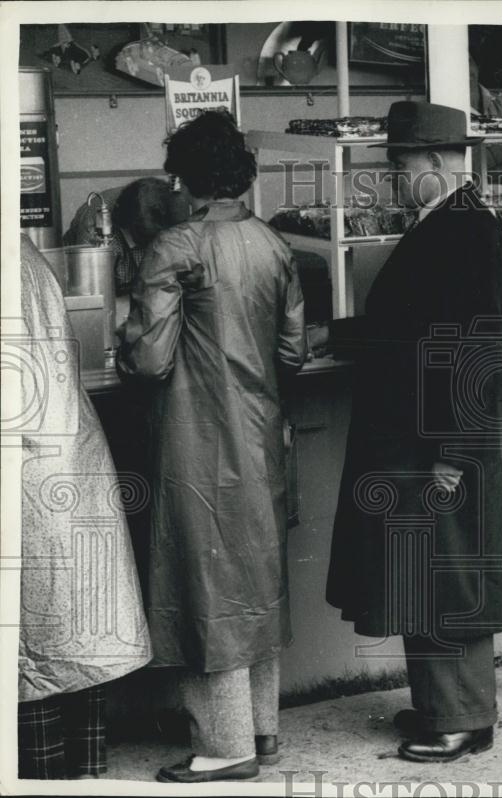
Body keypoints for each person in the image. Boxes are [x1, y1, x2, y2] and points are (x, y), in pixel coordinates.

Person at [324, 101, 502, 763]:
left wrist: (453, 452)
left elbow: (482, 347)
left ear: (434, 162)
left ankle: (461, 717)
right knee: (429, 573)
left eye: (401, 164)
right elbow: (416, 325)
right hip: (424, 438)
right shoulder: (454, 225)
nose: (395, 177)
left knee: (445, 575)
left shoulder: (465, 230)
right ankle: (446, 706)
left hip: (437, 442)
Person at [116, 111, 307, 783]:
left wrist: (125, 333)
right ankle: (263, 730)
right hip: (260, 435)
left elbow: (148, 359)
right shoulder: (273, 243)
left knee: (207, 583)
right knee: (253, 577)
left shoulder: (176, 247)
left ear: (185, 178)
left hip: (197, 436)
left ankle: (226, 749)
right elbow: (293, 351)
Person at [18, 235, 152, 779]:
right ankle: (89, 771)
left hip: (26, 464)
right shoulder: (28, 257)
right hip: (71, 451)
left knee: (33, 642)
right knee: (76, 635)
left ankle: (45, 778)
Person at [63, 177, 189, 294]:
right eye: (143, 237)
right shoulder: (94, 225)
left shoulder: (169, 208)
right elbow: (91, 293)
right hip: (94, 283)